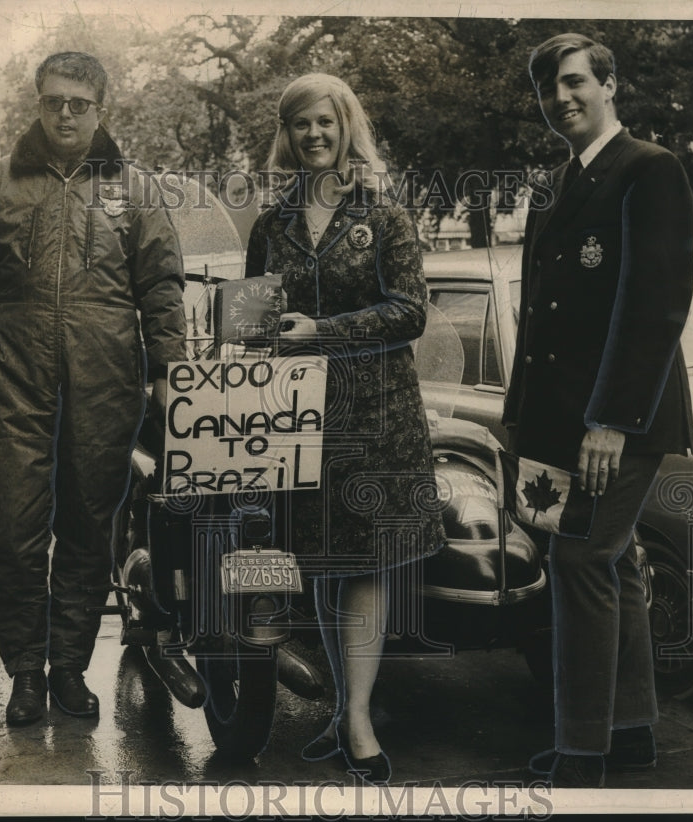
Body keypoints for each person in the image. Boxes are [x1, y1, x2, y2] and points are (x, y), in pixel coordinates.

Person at [0, 52, 187, 726]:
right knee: (13, 529)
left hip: (105, 371)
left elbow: (161, 285)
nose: (66, 114)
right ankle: (24, 670)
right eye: (54, 102)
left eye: (79, 103)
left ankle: (70, 670)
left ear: (101, 109)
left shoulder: (135, 190)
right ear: (37, 105)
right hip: (12, 368)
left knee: (86, 524)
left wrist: (169, 371)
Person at [503, 33, 693, 787]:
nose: (563, 100)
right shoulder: (555, 185)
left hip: (623, 417)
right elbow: (540, 317)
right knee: (609, 565)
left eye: (578, 82)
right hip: (562, 418)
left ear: (610, 84)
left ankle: (584, 750)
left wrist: (612, 420)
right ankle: (633, 731)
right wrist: (520, 420)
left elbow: (656, 306)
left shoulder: (651, 170)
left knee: (579, 558)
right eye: (550, 90)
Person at [244, 73, 445, 785]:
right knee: (324, 563)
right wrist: (243, 341)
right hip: (299, 421)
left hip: (375, 417)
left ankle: (357, 714)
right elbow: (255, 318)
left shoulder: (384, 212)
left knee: (363, 566)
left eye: (325, 122)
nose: (314, 136)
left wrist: (321, 332)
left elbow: (411, 312)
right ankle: (341, 709)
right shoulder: (272, 224)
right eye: (301, 125)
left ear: (346, 124)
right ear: (287, 135)